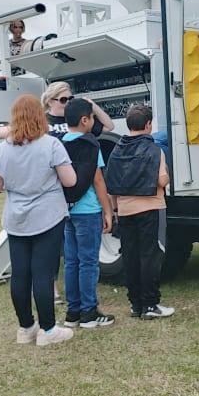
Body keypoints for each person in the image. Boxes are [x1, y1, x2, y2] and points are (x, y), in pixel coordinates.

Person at [0, 95, 77, 346]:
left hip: (16, 217)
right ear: (40, 115)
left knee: (20, 274)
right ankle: (48, 330)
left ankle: (26, 327)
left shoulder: (3, 148)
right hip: (48, 215)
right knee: (43, 273)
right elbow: (70, 180)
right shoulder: (51, 145)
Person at [104, 103, 174, 320]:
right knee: (150, 256)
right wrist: (168, 174)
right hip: (151, 207)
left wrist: (115, 209)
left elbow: (111, 183)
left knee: (131, 256)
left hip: (124, 210)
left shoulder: (117, 149)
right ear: (148, 124)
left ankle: (135, 304)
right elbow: (162, 180)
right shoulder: (154, 149)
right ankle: (151, 304)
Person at [59, 98, 114, 329]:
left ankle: (73, 312)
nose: (93, 122)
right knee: (89, 262)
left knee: (71, 262)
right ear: (85, 120)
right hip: (88, 210)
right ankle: (89, 313)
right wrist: (108, 211)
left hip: (65, 211)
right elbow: (98, 180)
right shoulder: (91, 144)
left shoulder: (58, 144)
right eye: (92, 117)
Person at [42, 81, 114, 139]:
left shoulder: (78, 116)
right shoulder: (41, 121)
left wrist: (92, 105)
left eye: (70, 99)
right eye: (63, 100)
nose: (68, 103)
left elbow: (109, 127)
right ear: (50, 102)